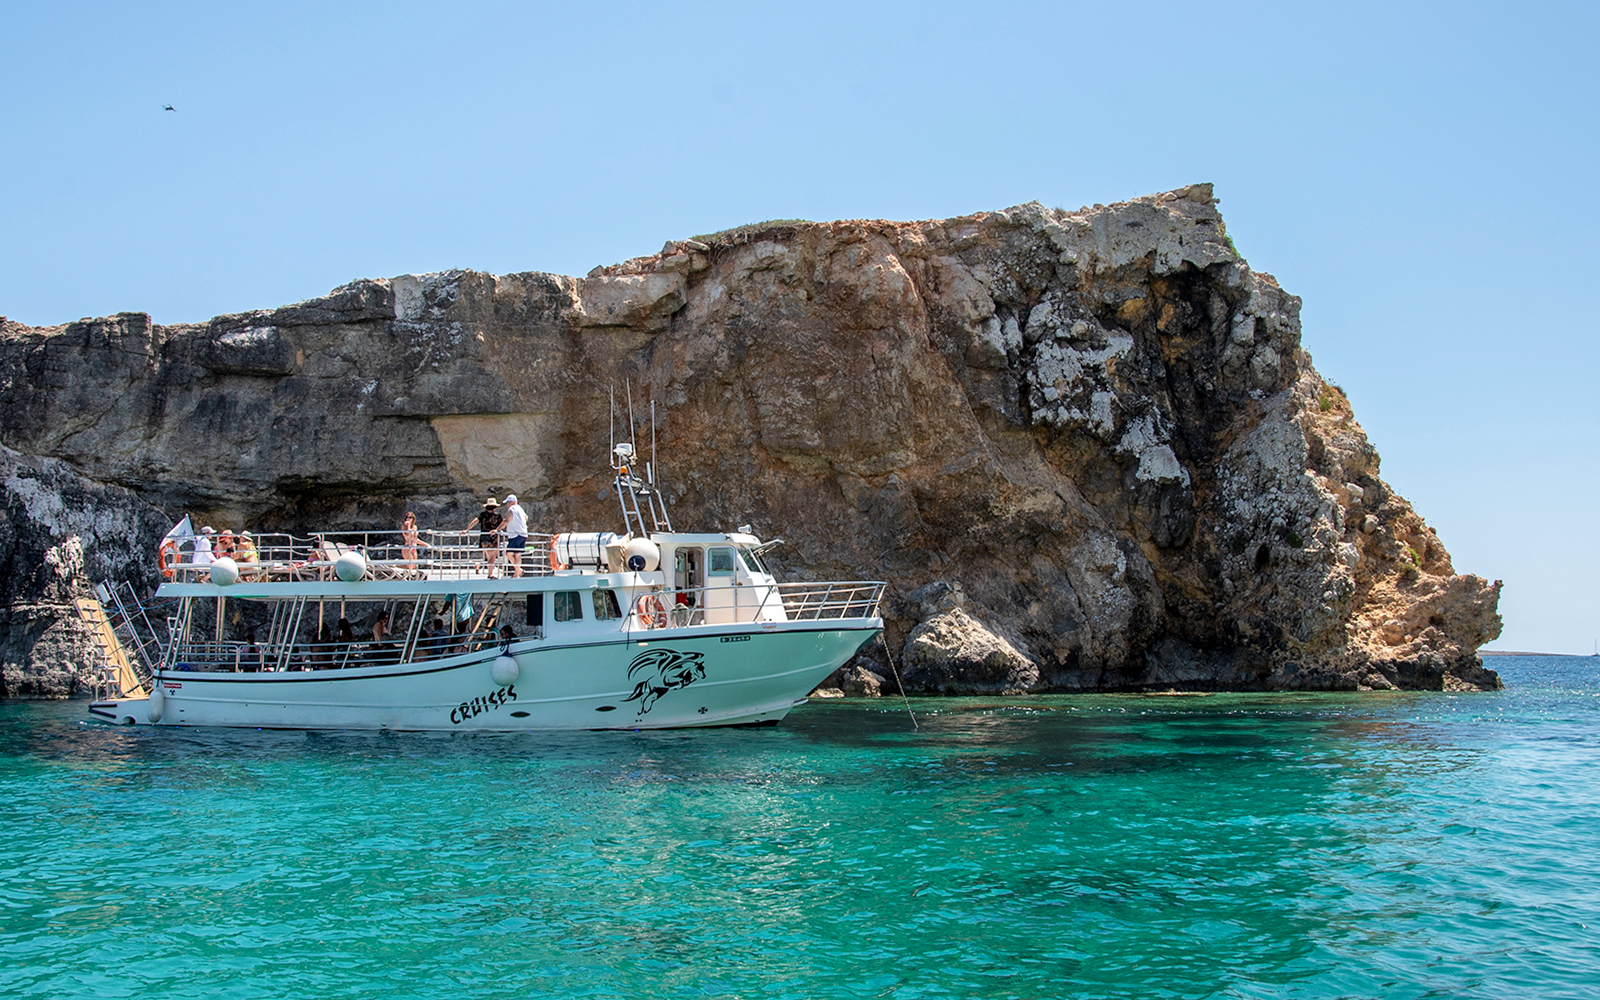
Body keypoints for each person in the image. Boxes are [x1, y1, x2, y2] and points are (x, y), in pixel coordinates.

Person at [464, 495, 502, 577]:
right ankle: (490, 573)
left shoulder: (482, 515)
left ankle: (489, 572)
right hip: (494, 537)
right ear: (495, 507)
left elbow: (475, 521)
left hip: (484, 537)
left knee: (488, 555)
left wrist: (467, 529)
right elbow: (502, 525)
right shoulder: (498, 516)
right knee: (493, 557)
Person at [501, 493, 529, 578]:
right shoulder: (520, 509)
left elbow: (507, 520)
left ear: (511, 502)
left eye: (507, 503)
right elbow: (526, 517)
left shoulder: (512, 509)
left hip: (515, 535)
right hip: (523, 534)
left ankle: (518, 571)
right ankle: (517, 572)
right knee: (518, 554)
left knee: (509, 553)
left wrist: (498, 529)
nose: (507, 505)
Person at [400, 511, 430, 576]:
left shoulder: (415, 527)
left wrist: (426, 544)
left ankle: (395, 565)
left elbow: (416, 539)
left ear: (413, 519)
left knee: (414, 566)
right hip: (407, 547)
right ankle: (394, 565)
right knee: (410, 567)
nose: (408, 519)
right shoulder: (403, 527)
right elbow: (408, 537)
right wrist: (408, 526)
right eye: (407, 517)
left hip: (414, 547)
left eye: (410, 517)